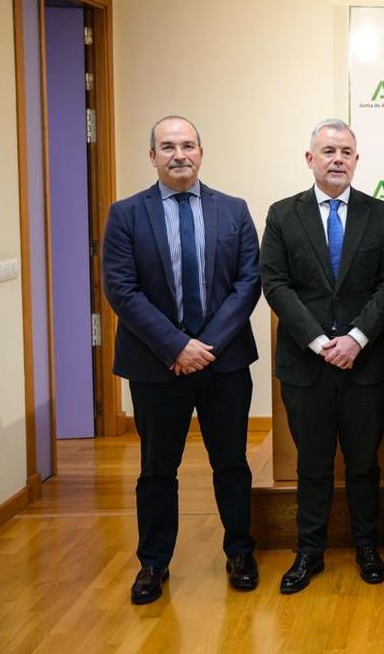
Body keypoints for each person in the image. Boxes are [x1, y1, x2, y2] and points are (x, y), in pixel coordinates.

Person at [102, 115, 261, 605]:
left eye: (188, 145)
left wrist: (203, 346)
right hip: (156, 366)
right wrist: (176, 346)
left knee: (231, 463)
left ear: (201, 153)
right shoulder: (126, 214)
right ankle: (153, 563)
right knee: (157, 469)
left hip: (223, 363)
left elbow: (248, 283)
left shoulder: (233, 210)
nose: (179, 155)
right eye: (168, 147)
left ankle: (240, 552)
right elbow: (121, 290)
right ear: (152, 156)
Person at [260, 119, 384, 594]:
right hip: (306, 364)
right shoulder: (283, 214)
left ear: (356, 160)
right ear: (310, 159)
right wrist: (320, 342)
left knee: (364, 463)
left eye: (345, 152)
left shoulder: (381, 216)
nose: (337, 159)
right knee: (313, 464)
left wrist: (356, 338)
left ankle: (366, 546)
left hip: (365, 362)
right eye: (328, 151)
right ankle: (309, 551)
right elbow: (275, 284)